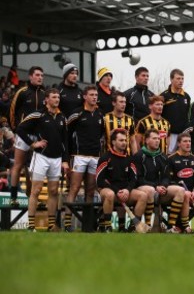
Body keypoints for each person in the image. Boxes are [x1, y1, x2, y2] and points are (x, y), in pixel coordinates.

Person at [16, 88, 69, 231]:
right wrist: (33, 144)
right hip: (41, 157)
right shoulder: (37, 115)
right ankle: (31, 225)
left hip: (57, 159)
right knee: (36, 190)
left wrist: (65, 160)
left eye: (58, 97)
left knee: (53, 191)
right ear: (46, 100)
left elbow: (65, 141)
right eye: (54, 97)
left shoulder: (62, 117)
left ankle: (51, 225)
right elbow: (20, 128)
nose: (57, 99)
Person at [64, 85, 104, 232]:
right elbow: (66, 136)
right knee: (74, 189)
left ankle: (87, 224)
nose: (94, 97)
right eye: (92, 95)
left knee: (90, 191)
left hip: (95, 157)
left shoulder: (101, 115)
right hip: (78, 156)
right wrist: (66, 158)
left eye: (96, 95)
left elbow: (102, 136)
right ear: (84, 97)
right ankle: (67, 224)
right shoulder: (76, 114)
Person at [133, 129, 186, 233]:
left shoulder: (162, 156)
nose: (157, 141)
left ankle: (170, 227)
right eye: (154, 138)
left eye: (158, 138)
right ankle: (148, 226)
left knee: (180, 190)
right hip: (143, 188)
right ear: (147, 140)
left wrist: (164, 186)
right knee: (150, 190)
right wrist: (155, 186)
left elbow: (166, 176)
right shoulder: (139, 156)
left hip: (159, 189)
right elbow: (138, 179)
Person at [96, 129, 148, 232]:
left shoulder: (130, 159)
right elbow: (99, 180)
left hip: (125, 192)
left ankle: (133, 227)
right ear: (113, 142)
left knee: (143, 196)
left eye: (125, 140)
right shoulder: (105, 158)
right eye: (121, 140)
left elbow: (134, 179)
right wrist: (116, 191)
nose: (124, 143)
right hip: (109, 191)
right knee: (110, 194)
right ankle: (107, 226)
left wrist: (127, 190)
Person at [8, 66, 45, 206]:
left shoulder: (44, 94)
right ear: (30, 76)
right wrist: (16, 129)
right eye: (37, 75)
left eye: (41, 75)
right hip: (23, 135)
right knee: (18, 164)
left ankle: (33, 196)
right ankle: (13, 197)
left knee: (34, 168)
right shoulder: (22, 92)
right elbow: (12, 111)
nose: (40, 77)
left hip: (38, 136)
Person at [161, 69, 192, 154]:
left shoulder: (186, 96)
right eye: (178, 78)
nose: (181, 81)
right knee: (168, 156)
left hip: (182, 134)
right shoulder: (164, 95)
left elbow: (187, 115)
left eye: (182, 79)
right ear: (171, 79)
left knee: (180, 156)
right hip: (169, 134)